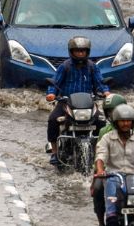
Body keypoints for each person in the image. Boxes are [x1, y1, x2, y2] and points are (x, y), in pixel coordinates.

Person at [45, 36, 110, 165]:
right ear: (71, 52)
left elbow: (100, 82)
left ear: (87, 52)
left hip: (88, 103)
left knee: (101, 122)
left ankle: (100, 152)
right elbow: (54, 82)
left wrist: (106, 92)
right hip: (66, 102)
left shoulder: (92, 67)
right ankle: (54, 152)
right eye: (77, 51)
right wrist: (51, 94)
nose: (80, 54)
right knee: (53, 120)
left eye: (83, 51)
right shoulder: (65, 66)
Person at [90, 95, 134, 226]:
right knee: (97, 190)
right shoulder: (104, 132)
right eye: (109, 112)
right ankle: (102, 223)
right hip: (110, 174)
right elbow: (100, 155)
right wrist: (97, 174)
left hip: (133, 172)